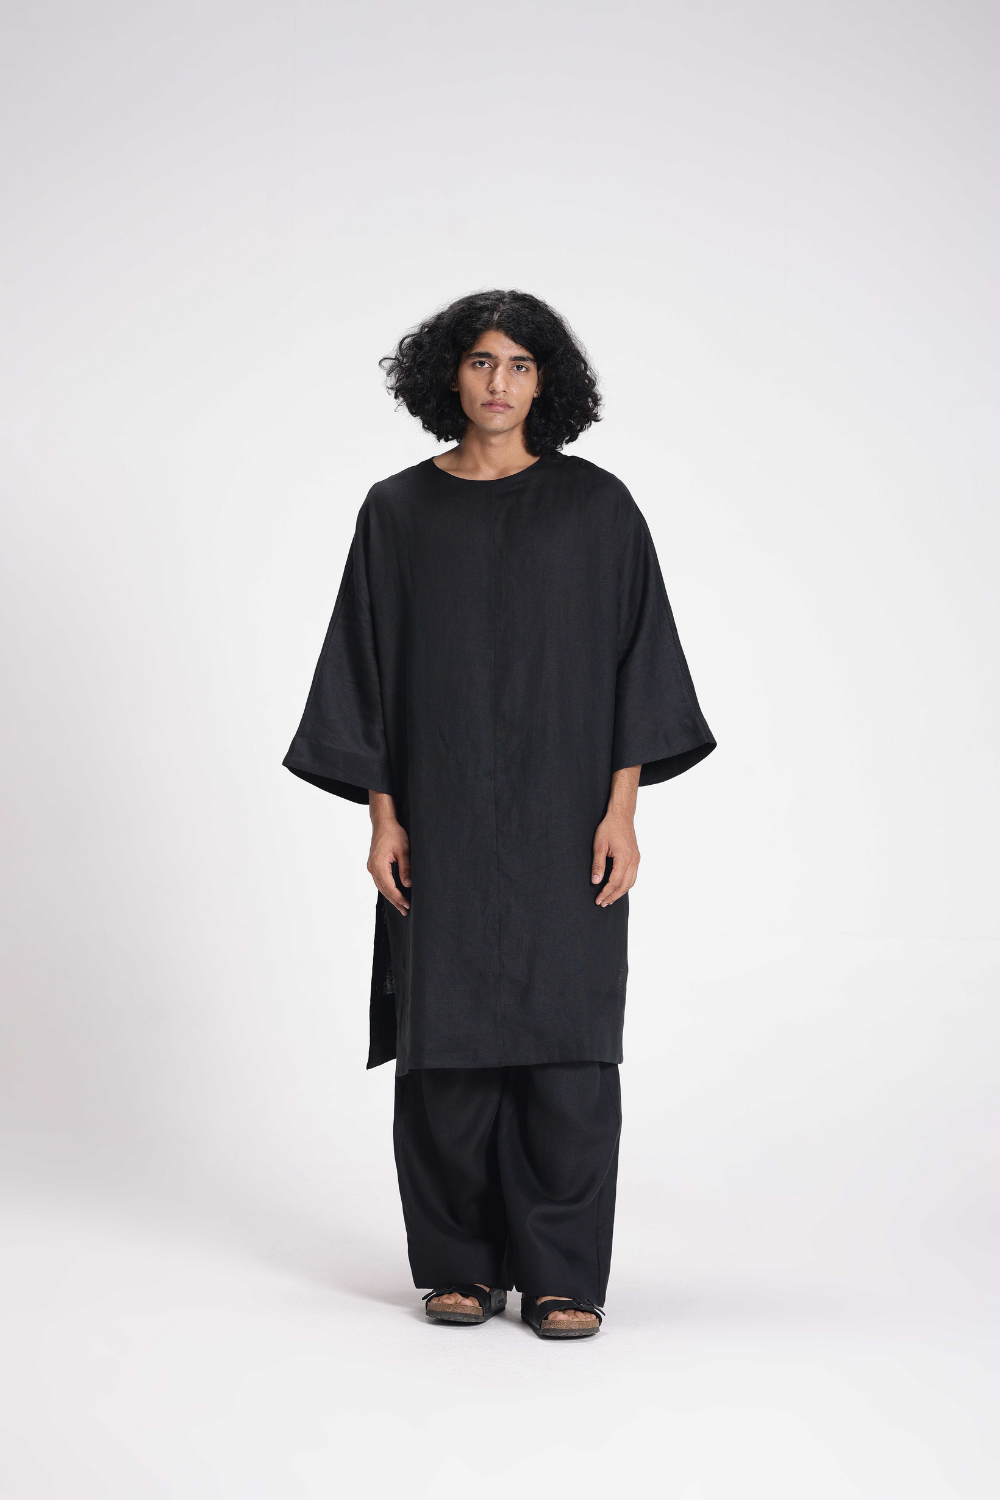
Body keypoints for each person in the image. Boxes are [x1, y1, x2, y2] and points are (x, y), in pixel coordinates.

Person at [283, 290, 715, 1338]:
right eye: (481, 360)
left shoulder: (597, 508)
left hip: (569, 817)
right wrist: (383, 819)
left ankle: (563, 1274)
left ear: (546, 383)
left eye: (520, 364)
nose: (498, 382)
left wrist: (622, 812)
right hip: (441, 815)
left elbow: (638, 664)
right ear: (448, 373)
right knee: (446, 1039)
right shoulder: (396, 511)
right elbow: (365, 672)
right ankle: (459, 1267)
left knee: (568, 1043)